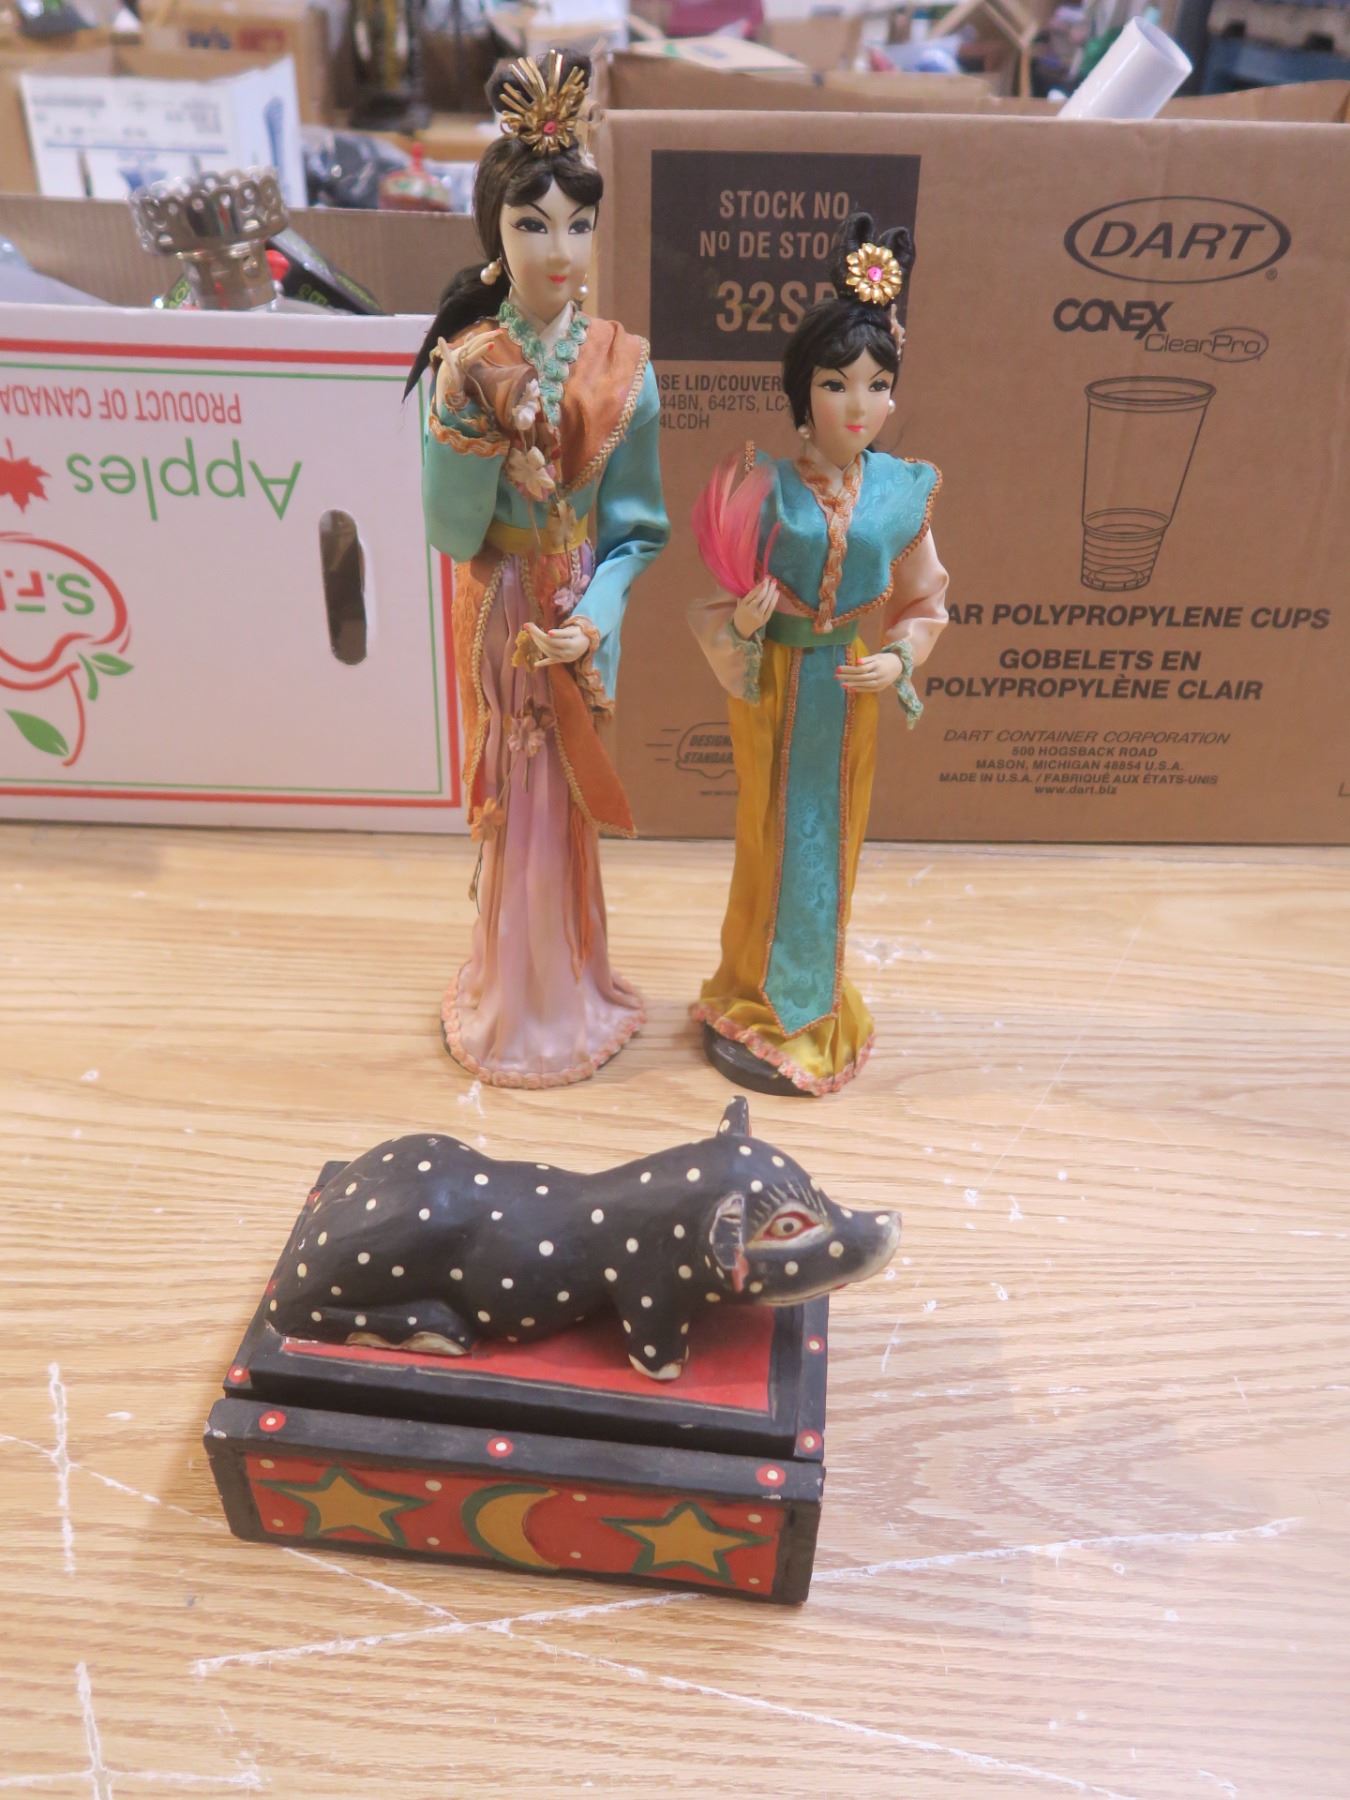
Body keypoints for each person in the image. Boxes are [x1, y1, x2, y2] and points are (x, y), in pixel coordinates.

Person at [409, 49, 669, 1088]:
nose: (559, 250)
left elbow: (638, 532)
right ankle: (515, 989)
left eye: (578, 223)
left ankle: (566, 983)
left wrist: (595, 613)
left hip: (572, 609)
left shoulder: (625, 370)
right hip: (502, 606)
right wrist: (466, 426)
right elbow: (451, 529)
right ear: (496, 234)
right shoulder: (467, 361)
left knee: (560, 792)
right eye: (532, 224)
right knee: (515, 787)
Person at [689, 213, 950, 1096]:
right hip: (775, 688)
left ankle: (813, 999)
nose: (858, 405)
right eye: (837, 384)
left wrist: (901, 660)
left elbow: (925, 599)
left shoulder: (901, 491)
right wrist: (744, 625)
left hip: (848, 688)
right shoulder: (762, 486)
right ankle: (754, 990)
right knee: (767, 838)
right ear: (804, 391)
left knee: (833, 843)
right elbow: (719, 601)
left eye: (878, 385)